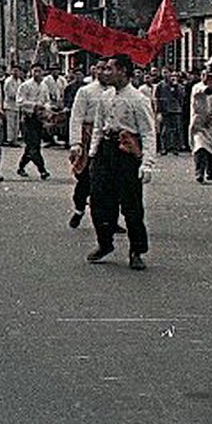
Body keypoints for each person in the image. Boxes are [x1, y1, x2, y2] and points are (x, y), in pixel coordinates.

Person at [86, 54, 156, 270]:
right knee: (98, 200)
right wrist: (92, 154)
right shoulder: (105, 97)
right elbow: (98, 127)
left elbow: (148, 132)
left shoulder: (138, 99)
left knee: (131, 205)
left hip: (126, 152)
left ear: (123, 71)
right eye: (104, 69)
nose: (105, 73)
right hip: (106, 151)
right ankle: (105, 243)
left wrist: (147, 163)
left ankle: (137, 250)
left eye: (110, 69)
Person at [67, 62, 107, 229]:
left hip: (106, 136)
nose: (103, 72)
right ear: (94, 71)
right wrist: (76, 142)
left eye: (107, 69)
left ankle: (108, 218)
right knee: (85, 177)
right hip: (87, 136)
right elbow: (76, 117)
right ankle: (79, 209)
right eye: (100, 68)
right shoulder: (86, 91)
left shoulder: (115, 92)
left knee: (107, 179)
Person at [15, 63, 51, 180]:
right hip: (28, 118)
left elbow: (47, 101)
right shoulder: (25, 86)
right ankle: (42, 169)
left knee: (33, 145)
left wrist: (46, 108)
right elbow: (19, 102)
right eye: (35, 71)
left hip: (38, 119)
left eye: (39, 71)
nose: (37, 73)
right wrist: (34, 105)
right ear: (31, 72)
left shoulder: (44, 86)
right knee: (33, 145)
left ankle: (21, 166)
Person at [189, 72, 212, 183]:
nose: (210, 81)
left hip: (210, 121)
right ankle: (199, 173)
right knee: (200, 147)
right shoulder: (197, 87)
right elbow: (207, 91)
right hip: (198, 121)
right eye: (208, 78)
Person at [2, 64, 22, 147]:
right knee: (10, 124)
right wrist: (19, 97)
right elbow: (10, 94)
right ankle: (10, 140)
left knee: (16, 124)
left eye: (17, 71)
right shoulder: (8, 81)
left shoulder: (19, 81)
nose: (16, 72)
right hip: (10, 105)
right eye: (14, 70)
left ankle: (15, 139)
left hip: (17, 105)